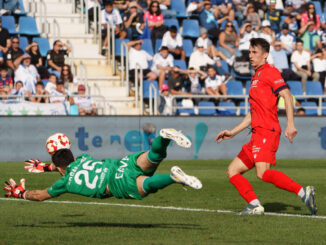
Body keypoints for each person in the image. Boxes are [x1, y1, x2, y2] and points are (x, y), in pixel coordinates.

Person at [215, 38, 316, 216]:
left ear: (266, 55)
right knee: (232, 171)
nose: (250, 56)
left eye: (255, 52)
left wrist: (290, 124)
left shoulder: (270, 72)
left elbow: (286, 94)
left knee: (263, 173)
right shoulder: (256, 76)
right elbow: (253, 112)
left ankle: (303, 192)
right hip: (256, 132)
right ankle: (254, 205)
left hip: (266, 130)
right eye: (250, 52)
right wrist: (233, 132)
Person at [4, 129, 202, 202]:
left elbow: (40, 195)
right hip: (121, 164)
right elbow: (63, 165)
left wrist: (21, 193)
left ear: (60, 168)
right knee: (152, 157)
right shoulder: (83, 158)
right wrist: (47, 167)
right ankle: (164, 137)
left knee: (146, 186)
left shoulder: (65, 183)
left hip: (115, 183)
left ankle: (173, 178)